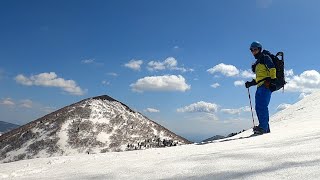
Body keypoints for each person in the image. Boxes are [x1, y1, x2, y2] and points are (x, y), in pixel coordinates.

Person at [245, 41, 277, 134]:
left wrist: (273, 81)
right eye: (252, 50)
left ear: (259, 49)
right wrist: (251, 83)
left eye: (255, 49)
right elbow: (259, 78)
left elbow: (272, 68)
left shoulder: (265, 57)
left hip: (266, 85)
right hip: (260, 86)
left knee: (262, 106)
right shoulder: (258, 62)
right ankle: (265, 128)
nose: (253, 51)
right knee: (258, 107)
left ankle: (263, 127)